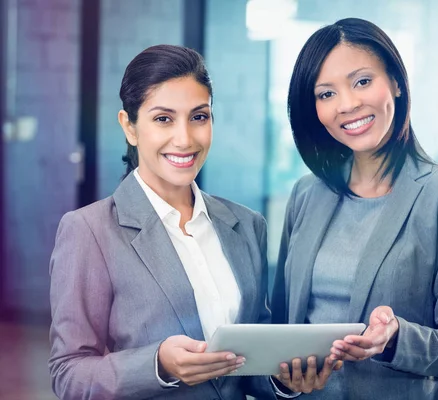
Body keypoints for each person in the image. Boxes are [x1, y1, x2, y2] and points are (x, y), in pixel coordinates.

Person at [48, 44, 334, 400]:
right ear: (130, 127)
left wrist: (283, 380)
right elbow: (69, 373)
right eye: (163, 119)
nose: (184, 139)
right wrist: (157, 365)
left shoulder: (246, 225)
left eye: (199, 117)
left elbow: (249, 359)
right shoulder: (89, 231)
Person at [272, 18, 438, 399]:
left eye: (362, 81)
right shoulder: (307, 194)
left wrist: (395, 339)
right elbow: (280, 328)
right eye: (326, 94)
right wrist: (282, 381)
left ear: (397, 83)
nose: (348, 104)